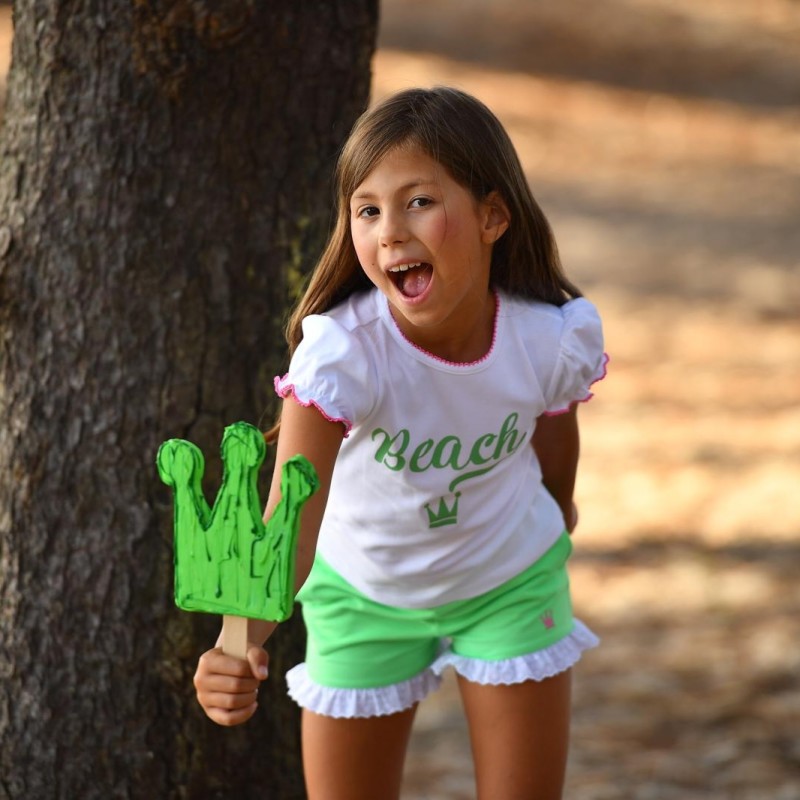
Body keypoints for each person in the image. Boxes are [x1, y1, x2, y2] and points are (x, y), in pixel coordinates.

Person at [193, 86, 607, 800]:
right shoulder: (342, 358)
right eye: (368, 210)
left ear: (492, 216)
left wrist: (559, 514)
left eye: (419, 201)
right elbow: (286, 528)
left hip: (508, 581)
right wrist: (238, 647)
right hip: (361, 593)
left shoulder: (547, 338)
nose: (389, 231)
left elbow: (555, 435)